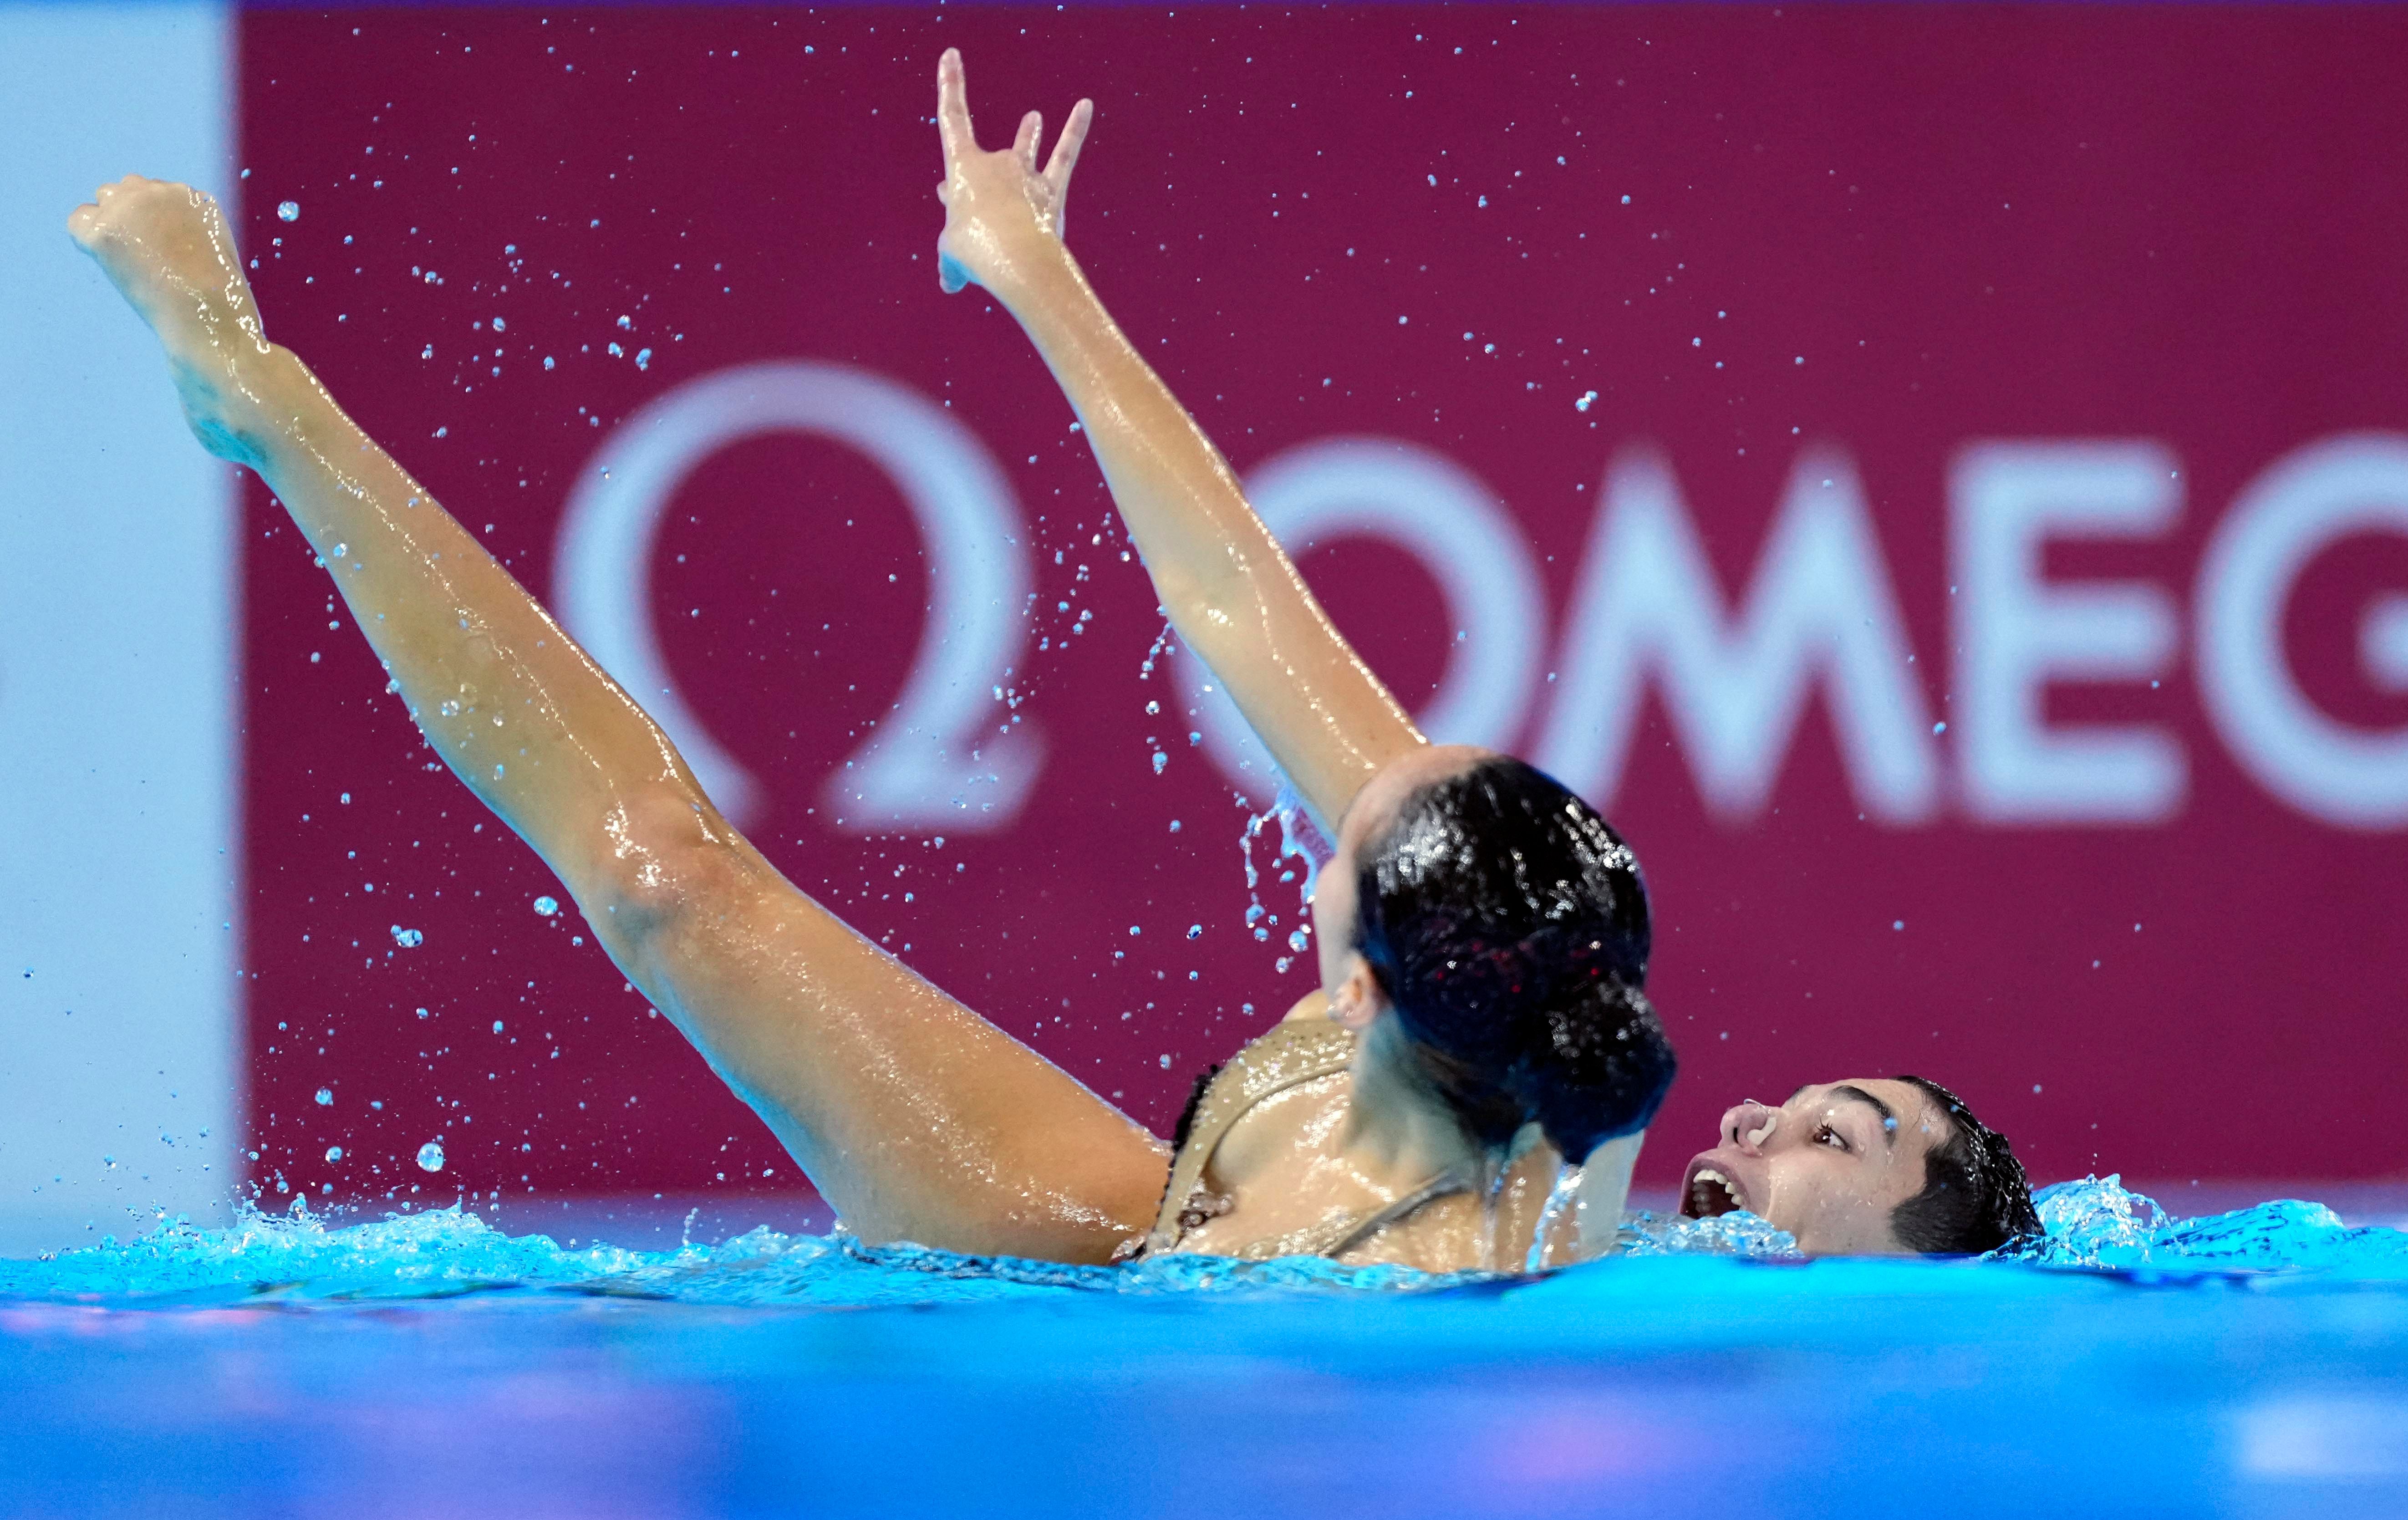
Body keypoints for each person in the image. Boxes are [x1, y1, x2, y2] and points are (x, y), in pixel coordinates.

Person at [66, 66, 1672, 1273]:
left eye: (1358, 843)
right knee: (671, 867)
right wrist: (1037, 275)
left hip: (1098, 1276)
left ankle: (265, 420)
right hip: (1167, 1199)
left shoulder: (1500, 1238)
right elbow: (1236, 604)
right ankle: (261, 391)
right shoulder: (1509, 929)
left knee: (667, 889)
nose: (1357, 795)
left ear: (1361, 985)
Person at [926, 52, 2038, 1261]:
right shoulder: (1549, 1152)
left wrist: (1040, 280)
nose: (1758, 1114)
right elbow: (1238, 602)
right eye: (1812, 1111)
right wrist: (1041, 277)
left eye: (1835, 1140)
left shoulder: (1548, 1219)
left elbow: (1238, 604)